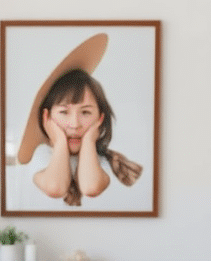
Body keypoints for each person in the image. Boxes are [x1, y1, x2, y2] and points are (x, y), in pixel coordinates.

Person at [16, 34, 142, 208]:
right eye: (63, 112)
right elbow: (55, 188)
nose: (75, 124)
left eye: (85, 112)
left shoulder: (101, 160)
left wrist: (89, 141)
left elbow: (91, 187)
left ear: (100, 118)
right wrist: (60, 141)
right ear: (47, 118)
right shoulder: (42, 155)